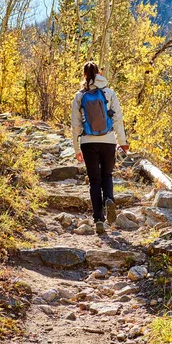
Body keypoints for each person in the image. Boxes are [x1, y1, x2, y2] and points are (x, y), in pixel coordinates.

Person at [71, 61, 129, 234]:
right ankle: (109, 199)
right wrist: (123, 142)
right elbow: (118, 119)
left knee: (94, 181)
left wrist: (76, 149)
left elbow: (75, 126)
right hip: (109, 141)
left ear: (84, 75)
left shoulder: (79, 96)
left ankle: (98, 220)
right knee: (107, 175)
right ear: (99, 74)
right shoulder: (109, 93)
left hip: (88, 142)